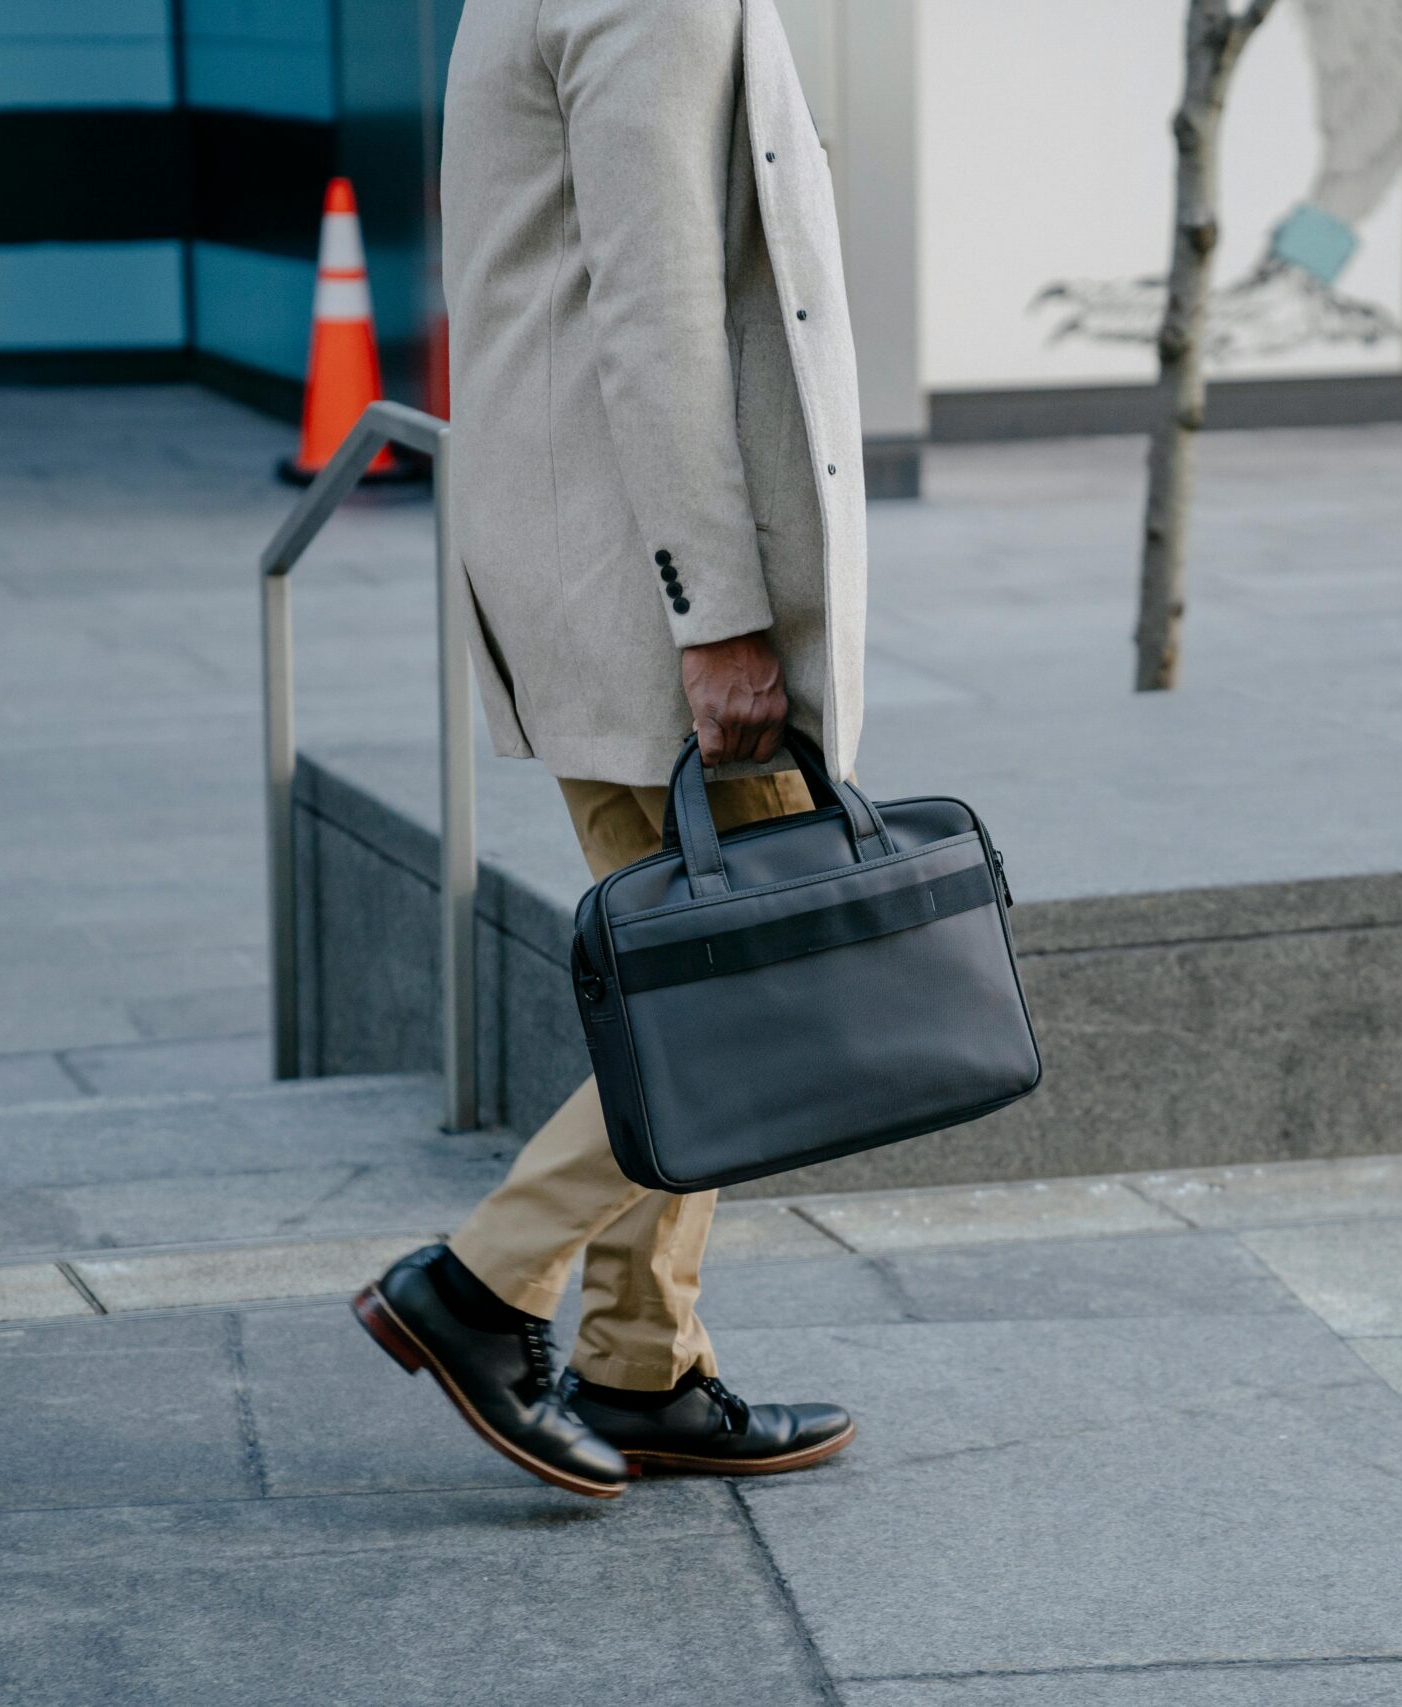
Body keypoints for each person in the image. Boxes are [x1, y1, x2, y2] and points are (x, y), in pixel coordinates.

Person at [353, 0, 869, 1499]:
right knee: (749, 994)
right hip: (646, 581)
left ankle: (642, 1360)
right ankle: (480, 1281)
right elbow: (656, 306)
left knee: (695, 967)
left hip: (582, 548)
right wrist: (716, 614)